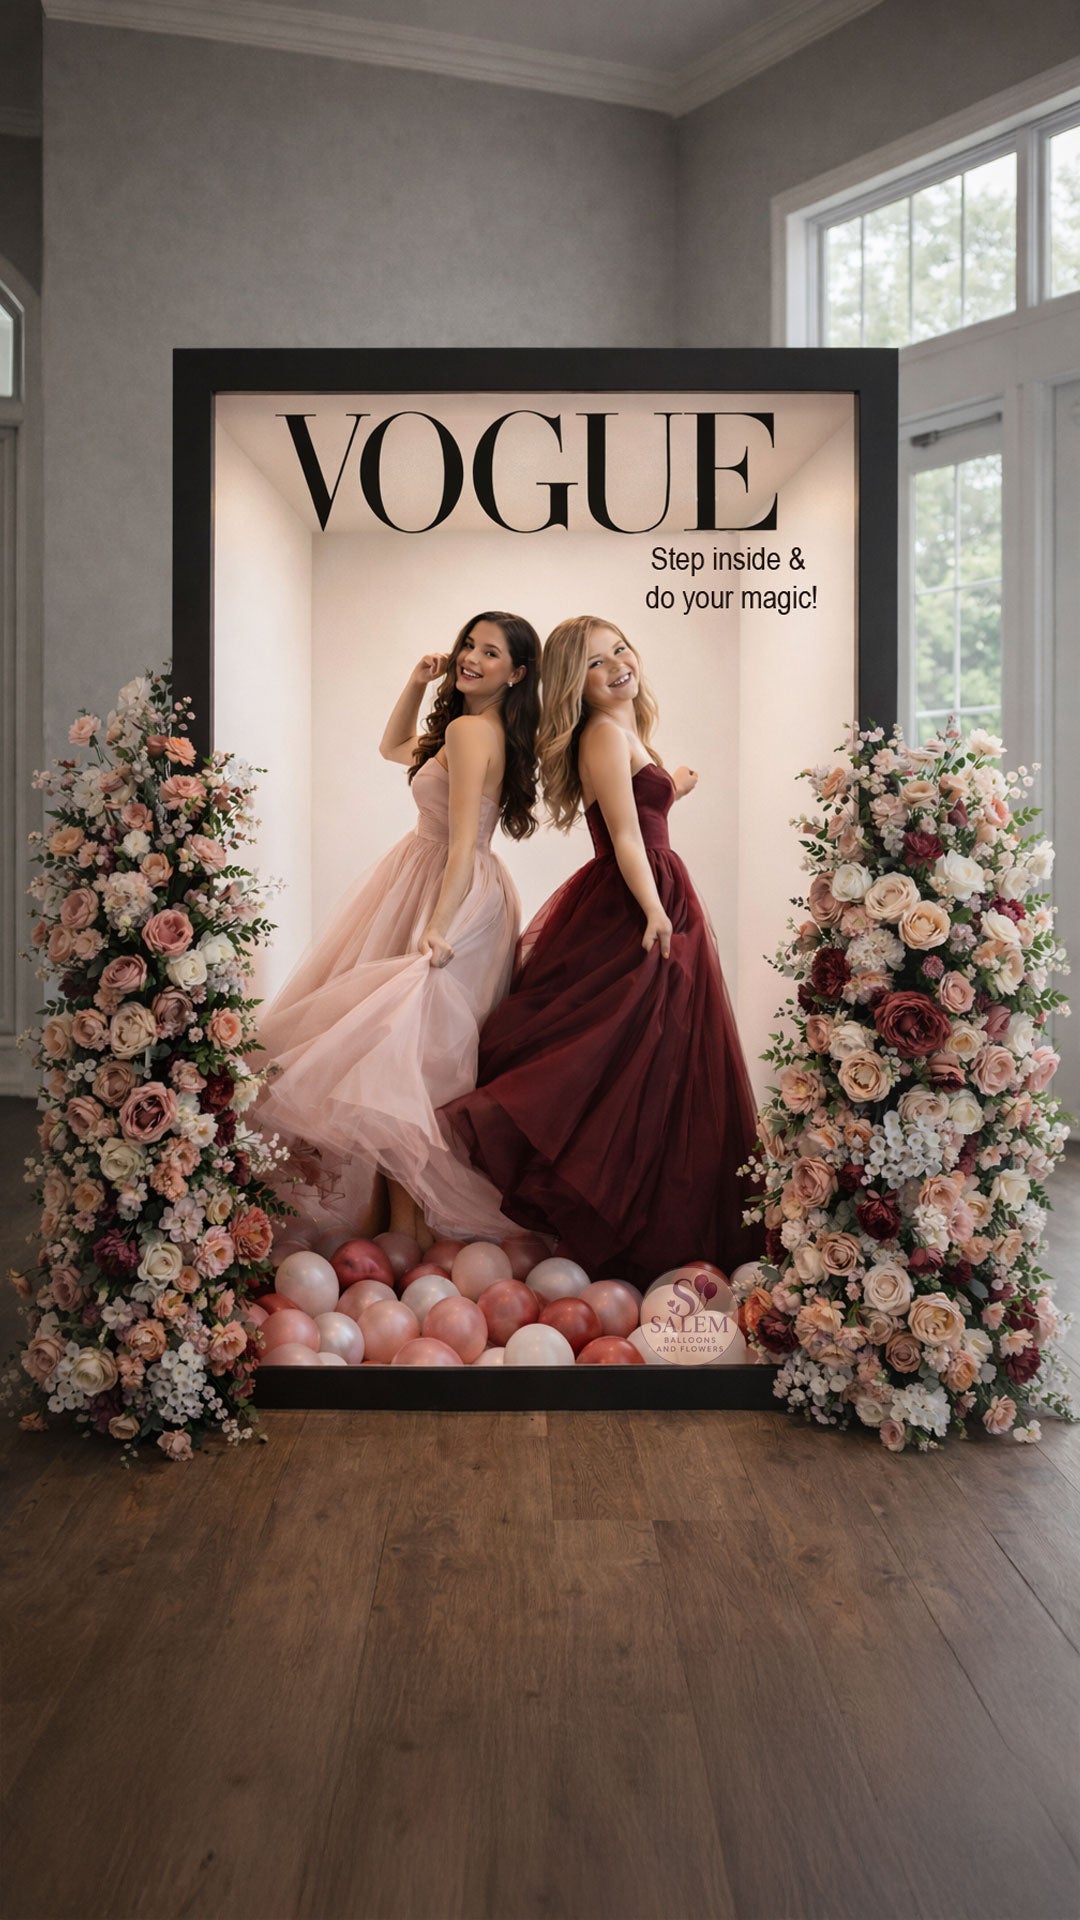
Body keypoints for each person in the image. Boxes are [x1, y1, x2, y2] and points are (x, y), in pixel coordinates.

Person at [441, 614, 764, 1287]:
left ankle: (661, 1228)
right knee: (628, 1059)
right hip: (639, 901)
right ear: (572, 684)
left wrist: (673, 782)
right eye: (596, 662)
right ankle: (636, 1230)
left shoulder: (620, 731)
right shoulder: (603, 734)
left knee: (661, 1063)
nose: (618, 664)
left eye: (620, 650)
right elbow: (625, 836)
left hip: (655, 893)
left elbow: (642, 809)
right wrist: (653, 911)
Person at [253, 611, 540, 1247]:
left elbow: (463, 840)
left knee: (405, 1059)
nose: (470, 657)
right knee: (406, 1059)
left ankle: (408, 1231)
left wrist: (439, 929)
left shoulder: (470, 732)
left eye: (490, 653)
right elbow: (392, 748)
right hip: (455, 882)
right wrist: (415, 684)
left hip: (448, 886)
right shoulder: (476, 729)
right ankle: (397, 1226)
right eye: (469, 643)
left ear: (517, 674)